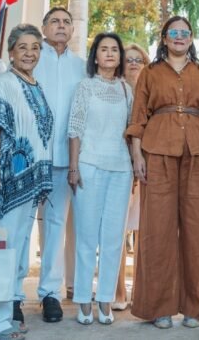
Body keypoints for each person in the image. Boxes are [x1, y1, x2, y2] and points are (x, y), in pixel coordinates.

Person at [125, 16, 199, 329]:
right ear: (164, 38)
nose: (179, 37)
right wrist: (137, 154)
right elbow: (139, 115)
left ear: (191, 38)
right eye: (173, 33)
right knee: (157, 229)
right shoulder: (150, 73)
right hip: (157, 152)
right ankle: (158, 307)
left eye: (185, 32)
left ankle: (196, 307)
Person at [0, 24, 54, 340]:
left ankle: (4, 316)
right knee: (4, 250)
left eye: (35, 47)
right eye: (22, 47)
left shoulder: (36, 84)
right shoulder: (5, 83)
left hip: (30, 183)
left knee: (17, 249)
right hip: (9, 180)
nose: (29, 53)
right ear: (10, 52)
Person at [67, 32, 134, 325]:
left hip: (120, 168)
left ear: (119, 57)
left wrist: (135, 164)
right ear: (95, 56)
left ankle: (105, 299)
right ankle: (83, 299)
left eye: (114, 50)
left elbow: (132, 132)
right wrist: (73, 166)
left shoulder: (125, 90)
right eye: (104, 49)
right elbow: (75, 127)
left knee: (113, 238)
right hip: (89, 166)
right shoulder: (85, 87)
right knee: (87, 235)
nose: (109, 54)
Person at [34, 7, 86, 324]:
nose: (61, 26)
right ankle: (11, 295)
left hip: (64, 159)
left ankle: (49, 294)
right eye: (55, 21)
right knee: (20, 226)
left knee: (55, 227)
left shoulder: (81, 67)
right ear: (43, 28)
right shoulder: (30, 57)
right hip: (29, 158)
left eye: (67, 22)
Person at [114, 43, 150, 311]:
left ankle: (140, 290)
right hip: (117, 167)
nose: (134, 63)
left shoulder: (151, 94)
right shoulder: (113, 91)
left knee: (142, 232)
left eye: (140, 59)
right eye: (129, 59)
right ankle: (116, 292)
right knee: (116, 230)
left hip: (147, 169)